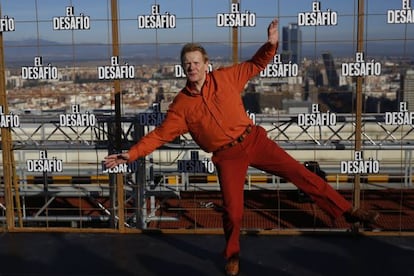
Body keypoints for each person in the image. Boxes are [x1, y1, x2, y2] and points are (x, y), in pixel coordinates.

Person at [104, 18, 379, 276]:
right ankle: (232, 255)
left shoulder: (226, 78)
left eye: (196, 62)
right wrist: (130, 154)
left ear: (206, 64)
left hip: (253, 140)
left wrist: (271, 44)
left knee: (301, 174)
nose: (192, 67)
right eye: (187, 64)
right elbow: (159, 136)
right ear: (183, 68)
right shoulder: (181, 106)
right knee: (233, 211)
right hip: (226, 156)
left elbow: (256, 63)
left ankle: (349, 212)